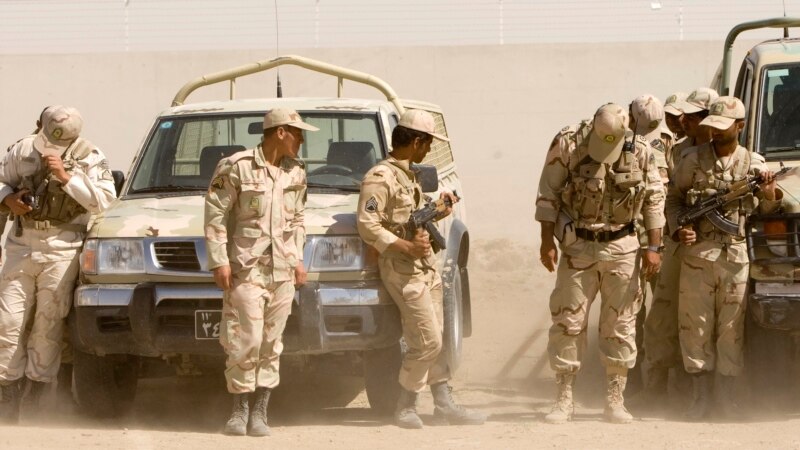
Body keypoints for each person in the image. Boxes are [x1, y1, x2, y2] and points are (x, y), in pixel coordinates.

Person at [535, 103, 665, 424]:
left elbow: (654, 199)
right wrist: (546, 241)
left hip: (623, 247)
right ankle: (564, 398)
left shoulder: (641, 150)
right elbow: (548, 193)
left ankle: (615, 399)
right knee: (568, 322)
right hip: (578, 246)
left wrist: (654, 246)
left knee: (620, 325)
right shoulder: (568, 142)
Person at [357, 109, 484, 429]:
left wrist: (439, 209)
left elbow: (410, 217)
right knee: (427, 342)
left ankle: (443, 403)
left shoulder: (408, 176)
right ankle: (405, 405)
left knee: (439, 337)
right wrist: (406, 247)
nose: (428, 150)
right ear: (415, 142)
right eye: (427, 144)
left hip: (425, 268)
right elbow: (368, 224)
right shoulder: (380, 178)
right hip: (402, 270)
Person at [667, 96, 783, 420]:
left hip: (735, 256)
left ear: (740, 126)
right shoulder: (691, 160)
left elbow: (767, 210)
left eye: (723, 127)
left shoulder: (753, 164)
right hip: (697, 255)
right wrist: (678, 229)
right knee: (694, 327)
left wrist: (770, 192)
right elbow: (673, 200)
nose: (715, 133)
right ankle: (699, 398)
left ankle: (726, 398)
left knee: (731, 330)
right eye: (713, 127)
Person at [0, 105, 116, 423]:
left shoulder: (89, 156)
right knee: (8, 322)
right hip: (22, 245)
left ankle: (36, 394)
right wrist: (8, 200)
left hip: (63, 249)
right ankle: (7, 391)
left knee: (47, 326)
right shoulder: (23, 149)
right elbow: (2, 180)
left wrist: (67, 178)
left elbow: (106, 201)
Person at [204, 108, 313, 437]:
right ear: (280, 132)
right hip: (246, 268)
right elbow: (215, 214)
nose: (301, 140)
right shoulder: (236, 167)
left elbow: (298, 219)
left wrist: (297, 259)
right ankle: (239, 410)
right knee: (244, 339)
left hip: (282, 270)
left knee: (271, 342)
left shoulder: (296, 172)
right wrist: (219, 260)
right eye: (297, 133)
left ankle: (260, 412)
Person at [639, 87, 717, 407]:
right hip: (677, 244)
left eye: (693, 116)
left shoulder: (732, 153)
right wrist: (677, 227)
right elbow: (670, 198)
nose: (684, 121)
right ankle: (656, 388)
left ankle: (702, 390)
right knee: (662, 314)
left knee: (704, 319)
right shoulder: (679, 151)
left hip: (715, 247)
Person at [626, 94, 671, 396]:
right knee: (653, 314)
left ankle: (641, 383)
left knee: (637, 315)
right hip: (653, 242)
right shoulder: (665, 145)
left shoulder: (634, 146)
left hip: (643, 242)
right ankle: (649, 382)